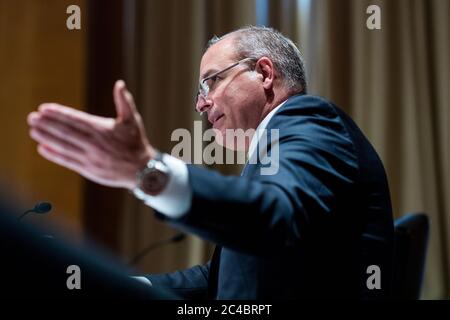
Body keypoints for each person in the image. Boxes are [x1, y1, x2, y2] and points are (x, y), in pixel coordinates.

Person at [27, 26, 394, 299]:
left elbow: (276, 217)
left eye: (211, 83)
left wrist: (149, 171)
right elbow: (222, 277)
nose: (201, 105)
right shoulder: (275, 149)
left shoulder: (309, 119)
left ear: (264, 74)